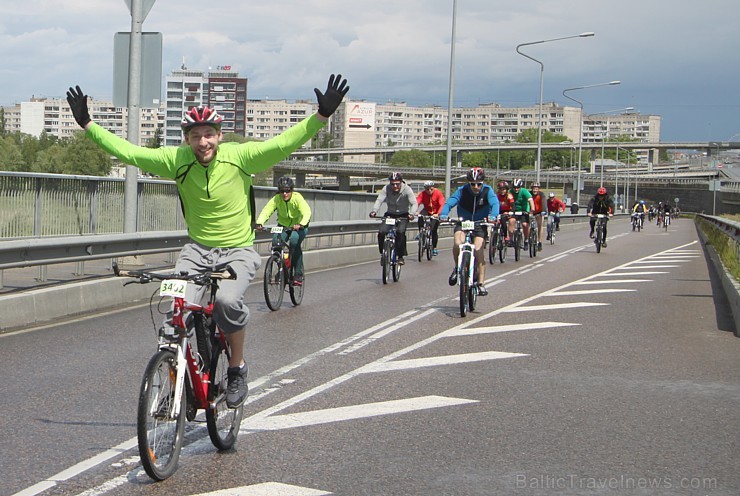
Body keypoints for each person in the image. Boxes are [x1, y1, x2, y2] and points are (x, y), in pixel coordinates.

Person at [66, 74, 349, 408]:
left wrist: (321, 117)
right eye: (196, 136)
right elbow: (129, 152)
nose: (204, 143)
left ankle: (236, 368)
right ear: (187, 139)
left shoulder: (241, 157)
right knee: (176, 304)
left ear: (219, 136)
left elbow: (283, 143)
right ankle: (179, 369)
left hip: (237, 251)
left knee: (227, 303)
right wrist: (88, 124)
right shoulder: (176, 161)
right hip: (196, 251)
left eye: (209, 135)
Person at [440, 167, 499, 296]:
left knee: (478, 250)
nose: (476, 187)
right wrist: (444, 214)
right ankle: (457, 268)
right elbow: (450, 203)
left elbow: (495, 204)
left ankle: (481, 283)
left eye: (479, 184)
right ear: (469, 183)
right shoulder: (462, 191)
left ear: (483, 183)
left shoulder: (487, 191)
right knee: (457, 242)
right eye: (473, 184)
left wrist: (493, 216)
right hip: (463, 222)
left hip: (479, 224)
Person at [255, 176, 311, 285]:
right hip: (283, 226)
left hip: (299, 226)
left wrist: (301, 224)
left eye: (287, 191)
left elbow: (306, 211)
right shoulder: (277, 199)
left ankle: (298, 274)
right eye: (282, 191)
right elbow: (267, 210)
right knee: (276, 242)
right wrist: (260, 222)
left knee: (294, 241)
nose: (285, 194)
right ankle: (283, 267)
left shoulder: (297, 198)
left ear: (291, 190)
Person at [369, 172, 418, 265]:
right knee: (381, 232)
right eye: (392, 184)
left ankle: (400, 256)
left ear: (401, 182)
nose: (395, 186)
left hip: (403, 215)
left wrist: (411, 214)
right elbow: (379, 200)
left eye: (397, 184)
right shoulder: (386, 188)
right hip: (390, 214)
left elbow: (414, 203)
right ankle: (383, 254)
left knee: (400, 232)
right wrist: (374, 211)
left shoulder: (407, 189)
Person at [416, 180, 445, 255]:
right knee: (420, 217)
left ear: (433, 188)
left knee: (433, 230)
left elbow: (442, 204)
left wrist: (438, 214)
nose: (429, 191)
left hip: (436, 212)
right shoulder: (422, 194)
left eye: (431, 189)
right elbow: (417, 202)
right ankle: (421, 232)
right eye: (427, 189)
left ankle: (434, 247)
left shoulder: (438, 193)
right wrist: (415, 211)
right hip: (427, 210)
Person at [510, 178, 535, 250]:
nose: (516, 189)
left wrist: (532, 209)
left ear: (520, 187)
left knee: (524, 225)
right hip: (515, 211)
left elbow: (530, 200)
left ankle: (526, 240)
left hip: (524, 211)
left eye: (518, 187)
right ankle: (510, 239)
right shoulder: (510, 191)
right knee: (511, 221)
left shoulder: (524, 191)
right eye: (514, 188)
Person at [530, 182, 546, 251]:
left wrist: (544, 211)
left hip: (539, 212)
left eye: (536, 189)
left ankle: (539, 242)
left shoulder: (541, 195)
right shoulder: (529, 194)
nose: (535, 190)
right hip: (531, 212)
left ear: (538, 189)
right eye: (533, 189)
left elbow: (544, 203)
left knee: (540, 225)